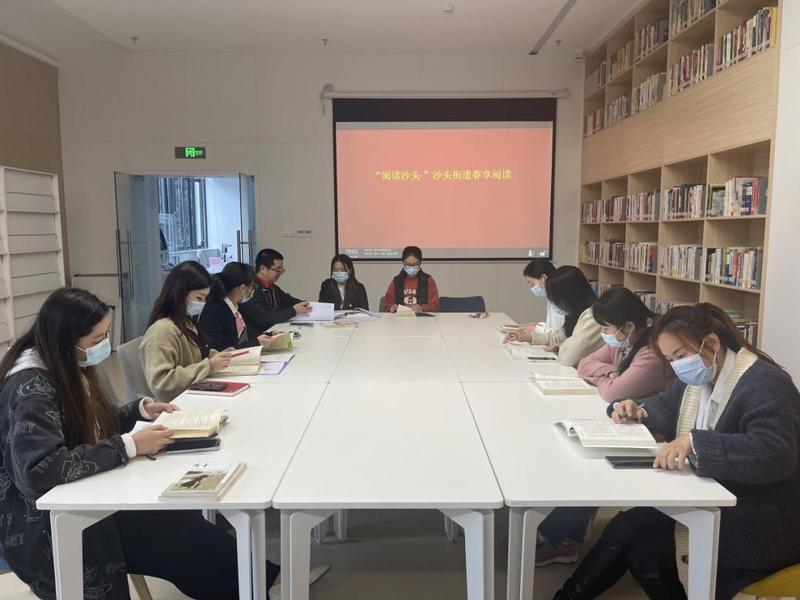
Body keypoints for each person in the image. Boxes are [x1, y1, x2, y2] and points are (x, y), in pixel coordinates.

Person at [0, 288, 281, 599]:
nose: (104, 345)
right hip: (47, 525)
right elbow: (40, 470)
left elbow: (89, 424)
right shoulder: (31, 388)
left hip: (89, 494)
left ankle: (260, 581)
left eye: (106, 334)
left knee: (185, 524)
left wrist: (139, 410)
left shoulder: (65, 365)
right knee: (184, 540)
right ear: (65, 340)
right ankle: (257, 584)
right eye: (97, 339)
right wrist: (128, 446)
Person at [555, 303, 800, 600]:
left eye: (681, 356)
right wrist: (636, 409)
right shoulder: (701, 378)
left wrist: (695, 443)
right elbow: (667, 405)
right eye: (670, 360)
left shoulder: (764, 382)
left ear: (711, 344)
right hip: (713, 499)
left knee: (638, 536)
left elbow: (775, 453)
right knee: (632, 529)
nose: (677, 366)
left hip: (759, 523)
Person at [140, 261, 234, 402]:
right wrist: (209, 366)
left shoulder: (187, 322)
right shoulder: (161, 331)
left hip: (196, 393)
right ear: (180, 293)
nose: (202, 304)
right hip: (178, 402)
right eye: (199, 298)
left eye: (204, 299)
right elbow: (162, 383)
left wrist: (220, 356)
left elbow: (200, 354)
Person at [577, 287, 673, 402]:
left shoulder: (651, 355)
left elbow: (612, 393)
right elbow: (583, 365)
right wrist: (611, 372)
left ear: (629, 327)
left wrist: (599, 379)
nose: (603, 333)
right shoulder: (622, 341)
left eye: (606, 329)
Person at [505, 266, 602, 366]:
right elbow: (559, 337)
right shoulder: (574, 312)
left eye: (554, 298)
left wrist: (562, 346)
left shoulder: (593, 317)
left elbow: (569, 357)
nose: (553, 303)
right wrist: (527, 337)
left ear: (569, 296)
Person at [199, 261, 276, 353]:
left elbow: (247, 336)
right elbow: (220, 349)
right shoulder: (213, 310)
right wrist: (256, 342)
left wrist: (268, 335)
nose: (253, 291)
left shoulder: (236, 306)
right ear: (243, 288)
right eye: (252, 286)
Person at [239, 248, 311, 333]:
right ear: (263, 268)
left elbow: (288, 301)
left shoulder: (272, 287)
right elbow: (265, 319)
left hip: (272, 332)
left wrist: (306, 304)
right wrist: (293, 311)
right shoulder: (251, 290)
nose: (280, 273)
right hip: (258, 336)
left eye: (281, 270)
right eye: (277, 269)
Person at [518, 259, 566, 346]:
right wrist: (537, 326)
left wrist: (535, 329)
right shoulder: (552, 298)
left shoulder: (561, 301)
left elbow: (559, 335)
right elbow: (551, 327)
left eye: (532, 284)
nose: (532, 288)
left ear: (543, 278)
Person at [382, 246, 440, 313]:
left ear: (420, 263)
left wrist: (422, 308)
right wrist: (392, 307)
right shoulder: (397, 281)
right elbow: (387, 303)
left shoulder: (428, 280)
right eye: (408, 264)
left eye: (415, 264)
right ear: (403, 262)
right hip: (400, 317)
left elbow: (435, 306)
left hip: (421, 318)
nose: (411, 267)